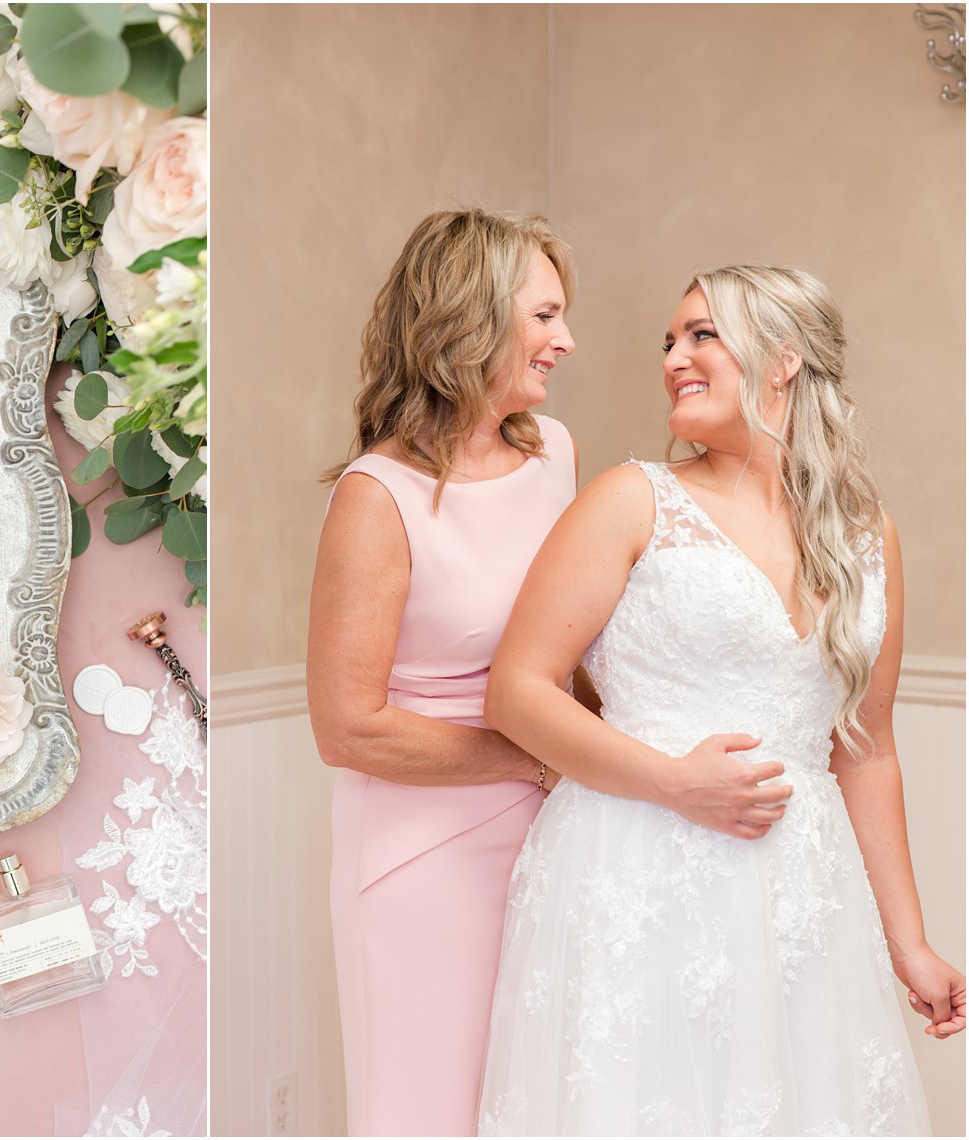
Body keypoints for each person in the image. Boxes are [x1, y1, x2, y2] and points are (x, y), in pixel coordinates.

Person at [477, 265, 965, 1135]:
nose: (674, 358)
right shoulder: (632, 501)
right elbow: (517, 691)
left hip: (802, 888)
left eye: (702, 334)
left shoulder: (867, 536)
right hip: (635, 868)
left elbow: (867, 746)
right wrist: (672, 781)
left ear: (783, 361)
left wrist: (909, 942)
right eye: (670, 341)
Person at [306, 207, 580, 1136]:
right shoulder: (376, 497)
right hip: (422, 856)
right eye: (544, 316)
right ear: (474, 317)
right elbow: (348, 726)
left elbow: (566, 647)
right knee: (425, 1111)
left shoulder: (555, 459)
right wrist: (534, 758)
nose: (565, 340)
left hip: (558, 837)